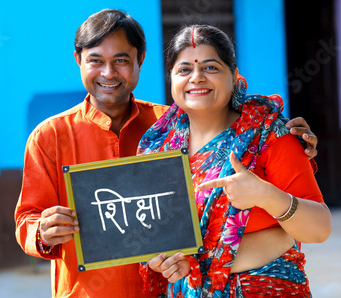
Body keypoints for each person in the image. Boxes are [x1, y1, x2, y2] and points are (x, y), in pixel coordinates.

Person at [14, 9, 319, 298]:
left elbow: (243, 131)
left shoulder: (170, 127)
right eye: (95, 60)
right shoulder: (51, 136)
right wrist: (41, 231)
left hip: (165, 288)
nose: (108, 72)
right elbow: (26, 219)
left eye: (121, 60)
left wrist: (286, 137)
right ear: (78, 60)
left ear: (140, 60)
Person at [137, 24, 331, 297]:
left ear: (235, 76)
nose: (197, 78)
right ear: (171, 79)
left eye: (211, 67)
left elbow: (320, 228)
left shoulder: (267, 133)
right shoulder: (158, 149)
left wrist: (265, 195)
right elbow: (155, 240)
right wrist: (166, 262)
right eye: (184, 70)